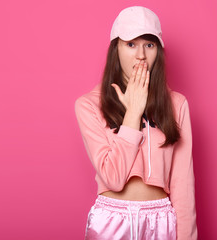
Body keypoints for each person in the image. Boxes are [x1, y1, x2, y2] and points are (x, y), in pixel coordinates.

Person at [75, 6, 197, 240]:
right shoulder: (89, 105)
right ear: (116, 49)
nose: (140, 55)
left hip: (160, 222)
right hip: (111, 222)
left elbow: (183, 186)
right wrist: (133, 111)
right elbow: (113, 178)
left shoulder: (177, 104)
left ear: (158, 50)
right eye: (131, 44)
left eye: (149, 45)